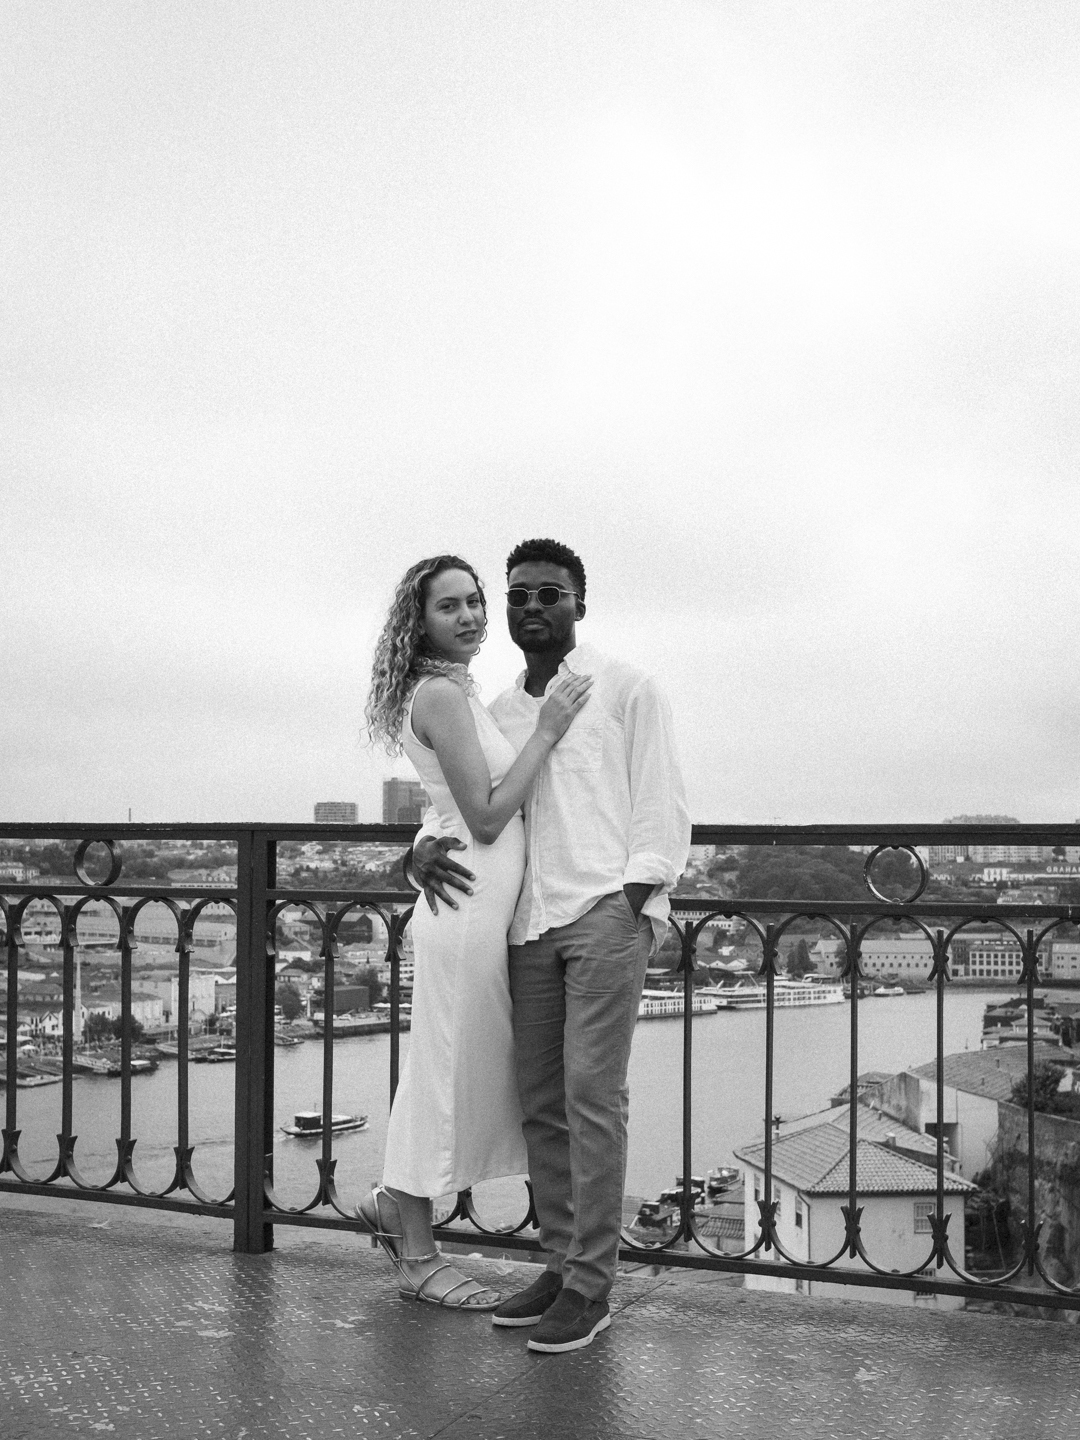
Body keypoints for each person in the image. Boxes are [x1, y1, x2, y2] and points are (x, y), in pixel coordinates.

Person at [412, 537, 690, 1352]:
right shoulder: (500, 710)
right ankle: (561, 1264)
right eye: (519, 595)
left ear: (579, 603)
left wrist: (635, 901)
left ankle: (592, 1287)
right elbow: (467, 802)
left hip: (603, 913)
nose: (532, 607)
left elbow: (663, 804)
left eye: (549, 594)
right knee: (542, 1102)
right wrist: (416, 849)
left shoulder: (628, 688)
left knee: (591, 1099)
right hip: (526, 923)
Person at [360, 553, 592, 1310]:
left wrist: (416, 850)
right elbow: (487, 818)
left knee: (456, 1074)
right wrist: (548, 730)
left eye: (474, 602)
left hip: (480, 912)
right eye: (449, 606)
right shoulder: (440, 694)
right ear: (419, 621)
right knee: (439, 1076)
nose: (469, 616)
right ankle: (416, 1253)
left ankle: (393, 1205)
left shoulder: (458, 692)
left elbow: (447, 805)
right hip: (464, 914)